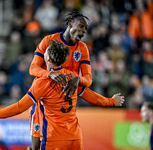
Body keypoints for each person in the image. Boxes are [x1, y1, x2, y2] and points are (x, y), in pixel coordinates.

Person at [0, 40, 125, 149]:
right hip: (75, 138)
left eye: (45, 51)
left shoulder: (42, 82)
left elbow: (20, 107)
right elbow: (91, 96)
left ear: (48, 58)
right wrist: (112, 101)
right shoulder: (72, 77)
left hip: (54, 139)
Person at [29, 11, 125, 149]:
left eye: (85, 29)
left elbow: (88, 80)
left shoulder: (82, 49)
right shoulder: (49, 41)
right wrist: (50, 74)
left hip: (66, 101)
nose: (83, 31)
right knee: (36, 145)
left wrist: (77, 79)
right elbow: (33, 69)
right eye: (81, 26)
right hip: (43, 101)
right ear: (70, 24)